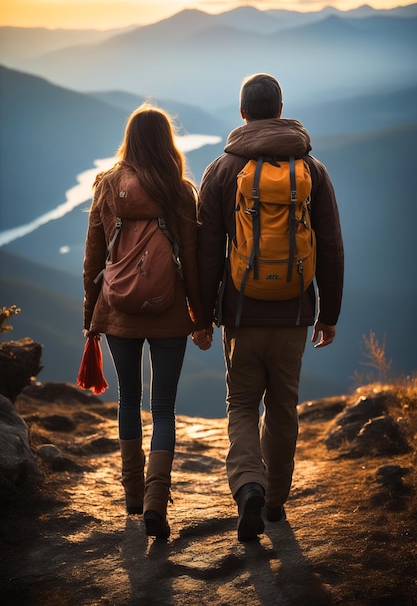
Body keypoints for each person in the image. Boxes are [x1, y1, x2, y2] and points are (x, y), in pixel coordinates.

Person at [193, 73, 344, 542]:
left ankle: (249, 487)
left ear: (242, 113)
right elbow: (332, 247)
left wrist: (201, 318)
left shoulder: (222, 170)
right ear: (280, 109)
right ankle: (275, 500)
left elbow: (206, 251)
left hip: (241, 313)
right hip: (295, 312)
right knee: (282, 406)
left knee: (241, 404)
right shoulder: (312, 170)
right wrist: (329, 313)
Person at [83, 103, 207, 539]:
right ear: (166, 142)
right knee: (164, 408)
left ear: (130, 140)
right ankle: (157, 501)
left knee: (128, 399)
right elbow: (190, 261)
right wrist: (200, 317)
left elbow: (94, 260)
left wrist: (90, 315)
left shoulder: (106, 186)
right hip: (170, 312)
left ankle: (133, 495)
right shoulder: (179, 192)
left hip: (119, 313)